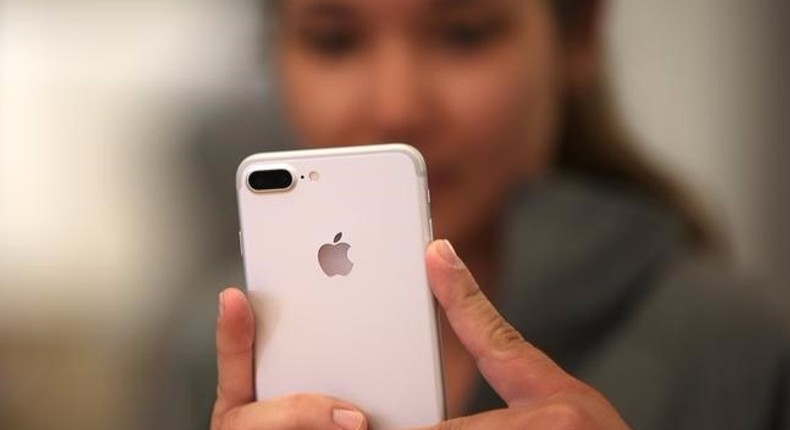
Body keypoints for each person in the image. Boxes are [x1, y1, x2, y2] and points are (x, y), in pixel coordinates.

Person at [168, 0, 790, 429]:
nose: (396, 106)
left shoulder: (742, 347)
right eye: (335, 40)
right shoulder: (220, 346)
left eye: (463, 33)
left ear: (577, 40)